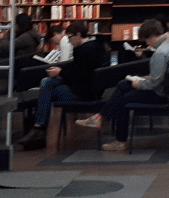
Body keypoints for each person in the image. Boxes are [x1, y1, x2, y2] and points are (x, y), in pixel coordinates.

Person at [76, 16, 169, 151]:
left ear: (149, 36)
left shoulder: (160, 53)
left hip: (161, 94)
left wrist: (138, 84)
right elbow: (164, 74)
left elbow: (154, 84)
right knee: (123, 84)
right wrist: (146, 78)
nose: (146, 44)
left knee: (123, 100)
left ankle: (120, 141)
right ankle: (99, 117)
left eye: (145, 40)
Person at [18, 21, 109, 149]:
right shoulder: (96, 46)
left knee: (48, 89)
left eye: (70, 37)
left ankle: (39, 128)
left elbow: (80, 77)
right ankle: (38, 128)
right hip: (91, 89)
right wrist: (61, 73)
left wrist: (61, 72)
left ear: (78, 35)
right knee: (46, 82)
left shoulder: (83, 50)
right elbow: (80, 71)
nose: (69, 41)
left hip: (83, 92)